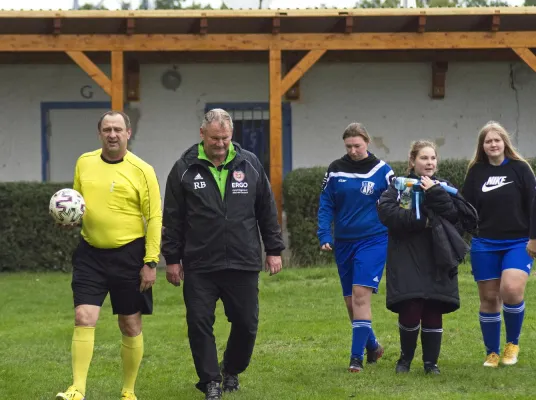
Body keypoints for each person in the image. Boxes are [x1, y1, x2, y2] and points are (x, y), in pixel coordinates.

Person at [161, 108, 285, 400]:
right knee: (199, 322)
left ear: (233, 135)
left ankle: (231, 369)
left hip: (242, 261)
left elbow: (266, 209)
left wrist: (274, 249)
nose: (220, 144)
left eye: (226, 138)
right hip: (200, 264)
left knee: (246, 322)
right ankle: (210, 381)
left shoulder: (250, 163)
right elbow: (173, 218)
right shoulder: (183, 169)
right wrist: (173, 259)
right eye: (215, 138)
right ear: (202, 134)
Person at [56, 111, 162, 400]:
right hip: (90, 253)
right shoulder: (85, 162)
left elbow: (154, 218)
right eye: (107, 129)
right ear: (99, 133)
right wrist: (69, 218)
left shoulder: (142, 170)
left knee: (129, 323)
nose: (112, 134)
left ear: (128, 133)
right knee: (83, 316)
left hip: (129, 255)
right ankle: (77, 389)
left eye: (118, 129)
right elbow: (77, 202)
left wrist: (150, 262)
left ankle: (128, 391)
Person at [377, 140, 477, 375]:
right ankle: (405, 360)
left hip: (438, 256)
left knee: (434, 306)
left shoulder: (444, 187)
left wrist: (435, 192)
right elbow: (386, 212)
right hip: (406, 255)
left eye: (432, 158)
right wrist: (421, 221)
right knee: (411, 307)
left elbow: (456, 215)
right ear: (413, 161)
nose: (429, 162)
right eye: (424, 158)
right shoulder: (399, 187)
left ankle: (431, 363)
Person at [317, 122, 393, 373]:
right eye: (348, 146)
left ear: (367, 143)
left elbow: (395, 203)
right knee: (351, 303)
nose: (352, 150)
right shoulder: (336, 170)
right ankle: (373, 345)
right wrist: (324, 233)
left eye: (357, 146)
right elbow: (326, 202)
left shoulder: (383, 171)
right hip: (344, 243)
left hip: (373, 240)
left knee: (360, 296)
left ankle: (355, 358)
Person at [462, 121, 535, 368]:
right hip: (484, 243)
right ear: (482, 146)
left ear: (505, 142)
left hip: (518, 242)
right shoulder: (476, 172)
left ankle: (511, 345)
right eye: (488, 141)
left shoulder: (520, 169)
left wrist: (534, 238)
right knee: (489, 297)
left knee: (512, 290)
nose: (493, 144)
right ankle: (492, 353)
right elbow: (465, 208)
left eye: (497, 140)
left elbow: (534, 205)